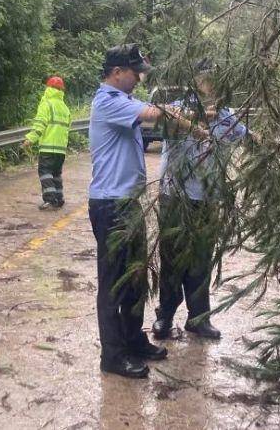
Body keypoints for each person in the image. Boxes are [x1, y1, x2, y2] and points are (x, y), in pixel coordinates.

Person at [88, 43, 209, 379]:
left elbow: (160, 110)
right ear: (116, 73)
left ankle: (133, 340)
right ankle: (112, 355)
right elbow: (156, 112)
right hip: (110, 205)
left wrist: (202, 117)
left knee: (136, 278)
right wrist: (189, 121)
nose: (139, 79)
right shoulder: (107, 102)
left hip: (128, 202)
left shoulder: (124, 101)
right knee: (114, 283)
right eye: (134, 73)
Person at [152, 72, 249, 341]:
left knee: (201, 260)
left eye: (215, 80)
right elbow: (163, 117)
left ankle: (198, 319)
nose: (211, 85)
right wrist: (198, 119)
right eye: (205, 79)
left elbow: (249, 138)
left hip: (207, 200)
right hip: (176, 198)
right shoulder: (178, 108)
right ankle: (165, 317)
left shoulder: (228, 116)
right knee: (172, 258)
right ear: (195, 82)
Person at [23, 76, 72, 210]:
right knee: (56, 173)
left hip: (48, 148)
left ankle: (50, 200)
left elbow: (40, 125)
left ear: (48, 88)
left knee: (45, 172)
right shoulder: (64, 107)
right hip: (61, 149)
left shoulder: (46, 104)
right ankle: (59, 198)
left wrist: (30, 139)